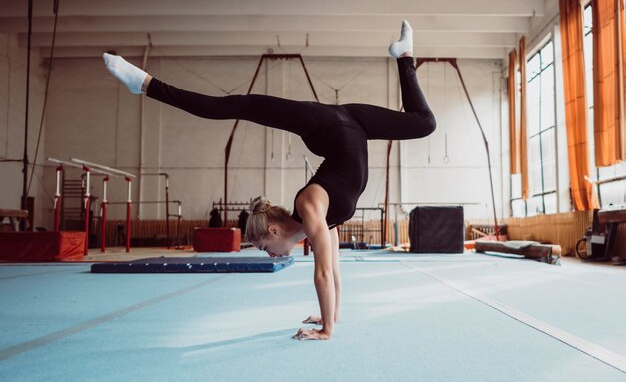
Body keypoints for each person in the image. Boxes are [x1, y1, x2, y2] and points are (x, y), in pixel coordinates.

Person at [103, 20, 436, 341]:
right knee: (423, 124)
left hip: (324, 124)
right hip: (355, 124)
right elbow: (333, 271)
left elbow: (321, 272)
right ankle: (405, 56)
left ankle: (146, 84)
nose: (270, 255)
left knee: (241, 105)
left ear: (274, 231)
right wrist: (329, 318)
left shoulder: (310, 207)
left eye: (264, 247)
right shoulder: (319, 220)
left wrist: (326, 332)